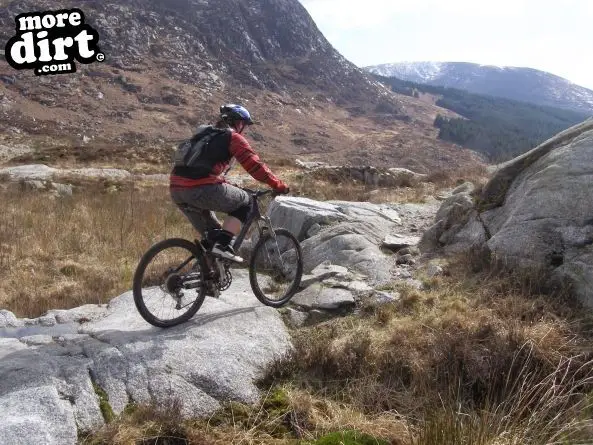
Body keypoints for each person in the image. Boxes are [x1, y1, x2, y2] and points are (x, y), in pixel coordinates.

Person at [169, 104, 289, 263]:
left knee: (213, 235)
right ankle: (224, 246)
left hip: (176, 190)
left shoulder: (205, 135)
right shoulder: (233, 138)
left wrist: (223, 183)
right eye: (244, 125)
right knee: (246, 203)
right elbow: (254, 166)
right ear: (239, 123)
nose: (244, 129)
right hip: (199, 188)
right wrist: (277, 184)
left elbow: (203, 166)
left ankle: (207, 279)